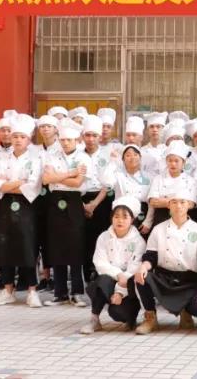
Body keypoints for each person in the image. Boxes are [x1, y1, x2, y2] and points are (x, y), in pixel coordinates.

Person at [134, 187, 197, 334]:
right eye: (174, 202)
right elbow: (151, 257)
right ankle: (150, 318)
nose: (178, 206)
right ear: (168, 205)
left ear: (190, 205)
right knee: (141, 277)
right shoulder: (158, 229)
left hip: (188, 281)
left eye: (182, 202)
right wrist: (143, 267)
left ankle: (186, 312)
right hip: (164, 278)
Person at [0, 115, 44, 307]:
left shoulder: (35, 159)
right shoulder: (1, 158)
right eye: (15, 136)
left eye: (22, 136)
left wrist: (8, 184)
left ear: (29, 138)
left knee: (27, 247)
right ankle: (7, 290)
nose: (18, 140)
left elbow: (33, 186)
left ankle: (32, 291)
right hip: (5, 206)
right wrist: (19, 182)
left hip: (27, 207)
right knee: (5, 246)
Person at [41, 120, 92, 307]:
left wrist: (58, 177)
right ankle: (60, 293)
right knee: (56, 246)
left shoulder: (83, 157)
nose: (65, 143)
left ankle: (77, 292)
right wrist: (70, 173)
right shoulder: (51, 155)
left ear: (76, 140)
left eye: (69, 140)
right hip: (55, 201)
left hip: (74, 201)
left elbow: (78, 183)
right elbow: (46, 179)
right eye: (62, 140)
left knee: (75, 246)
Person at [80, 196, 146, 334]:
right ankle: (94, 319)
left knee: (118, 313)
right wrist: (118, 274)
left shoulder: (139, 241)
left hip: (129, 285)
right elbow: (100, 262)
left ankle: (130, 318)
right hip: (110, 280)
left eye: (124, 217)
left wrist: (120, 292)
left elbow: (134, 268)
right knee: (102, 280)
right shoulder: (104, 237)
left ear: (132, 219)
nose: (120, 220)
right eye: (116, 216)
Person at [80, 115, 114, 282]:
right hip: (80, 199)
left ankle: (99, 273)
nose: (91, 139)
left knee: (101, 236)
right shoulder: (77, 155)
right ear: (83, 136)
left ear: (100, 137)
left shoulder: (108, 155)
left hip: (102, 199)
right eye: (88, 135)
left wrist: (94, 204)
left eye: (94, 135)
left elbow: (107, 184)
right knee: (83, 237)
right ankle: (86, 273)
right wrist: (83, 205)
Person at [101, 145, 154, 236]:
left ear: (140, 157)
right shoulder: (118, 175)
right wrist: (113, 162)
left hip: (142, 214)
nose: (132, 158)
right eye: (128, 155)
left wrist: (148, 221)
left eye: (135, 154)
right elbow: (106, 182)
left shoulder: (149, 177)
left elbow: (151, 202)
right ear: (123, 159)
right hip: (121, 214)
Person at [147, 141, 197, 227]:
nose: (173, 164)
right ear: (166, 161)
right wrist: (180, 201)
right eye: (170, 160)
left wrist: (164, 200)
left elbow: (191, 204)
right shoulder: (158, 179)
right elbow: (153, 202)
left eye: (176, 161)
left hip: (182, 219)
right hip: (161, 217)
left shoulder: (190, 181)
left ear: (183, 162)